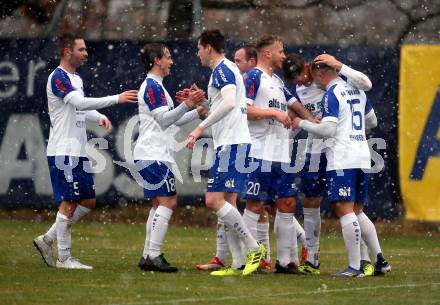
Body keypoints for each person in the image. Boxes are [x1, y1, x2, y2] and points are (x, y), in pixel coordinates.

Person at [33, 33, 138, 269]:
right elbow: (78, 103)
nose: (86, 53)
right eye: (81, 49)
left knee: (88, 201)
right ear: (67, 52)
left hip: (78, 151)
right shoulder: (58, 77)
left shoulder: (76, 79)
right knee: (69, 201)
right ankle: (65, 258)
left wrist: (98, 116)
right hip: (64, 150)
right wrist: (115, 99)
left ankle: (48, 239)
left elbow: (79, 109)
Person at [283, 53, 379, 275]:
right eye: (295, 81)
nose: (302, 82)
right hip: (316, 152)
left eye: (302, 76)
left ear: (309, 68)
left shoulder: (336, 80)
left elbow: (366, 90)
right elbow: (295, 121)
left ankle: (363, 261)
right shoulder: (298, 92)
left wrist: (349, 132)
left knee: (349, 208)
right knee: (310, 201)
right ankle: (312, 257)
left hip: (340, 151)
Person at [186, 29, 265, 277]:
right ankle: (239, 263)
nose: (198, 53)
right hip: (235, 143)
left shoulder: (222, 69)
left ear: (208, 47)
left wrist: (200, 127)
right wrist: (203, 107)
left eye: (199, 48)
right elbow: (226, 104)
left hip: (232, 145)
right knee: (228, 203)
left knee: (213, 201)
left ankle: (254, 248)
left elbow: (229, 103)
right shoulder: (227, 69)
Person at [241, 35, 313, 274]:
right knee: (255, 204)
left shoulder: (278, 81)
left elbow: (295, 106)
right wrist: (273, 112)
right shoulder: (253, 76)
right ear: (268, 54)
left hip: (281, 154)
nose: (284, 56)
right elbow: (246, 110)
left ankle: (285, 261)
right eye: (280, 51)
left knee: (287, 203)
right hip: (259, 152)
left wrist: (313, 120)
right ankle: (249, 259)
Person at [135, 43, 205, 272]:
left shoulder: (157, 87)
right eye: (167, 56)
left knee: (158, 204)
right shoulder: (152, 86)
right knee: (169, 201)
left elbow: (171, 119)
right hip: (152, 153)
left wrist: (196, 111)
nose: (171, 61)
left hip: (153, 153)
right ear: (156, 60)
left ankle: (147, 255)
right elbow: (165, 120)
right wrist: (187, 104)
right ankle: (153, 254)